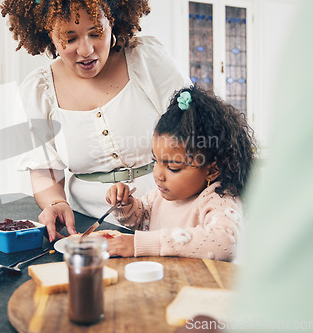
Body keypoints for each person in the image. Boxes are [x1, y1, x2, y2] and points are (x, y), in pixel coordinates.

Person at [0, 0, 191, 242]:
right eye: (70, 37)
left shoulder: (145, 59)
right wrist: (55, 203)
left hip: (172, 211)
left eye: (95, 32)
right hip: (91, 226)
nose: (86, 50)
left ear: (113, 22)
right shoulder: (39, 90)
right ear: (48, 35)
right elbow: (44, 171)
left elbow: (193, 130)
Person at [105, 86, 256, 261]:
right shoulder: (161, 195)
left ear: (212, 170)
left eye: (174, 167)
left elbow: (225, 242)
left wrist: (142, 244)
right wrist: (125, 205)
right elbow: (141, 218)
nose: (158, 175)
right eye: (156, 161)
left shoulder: (219, 200)